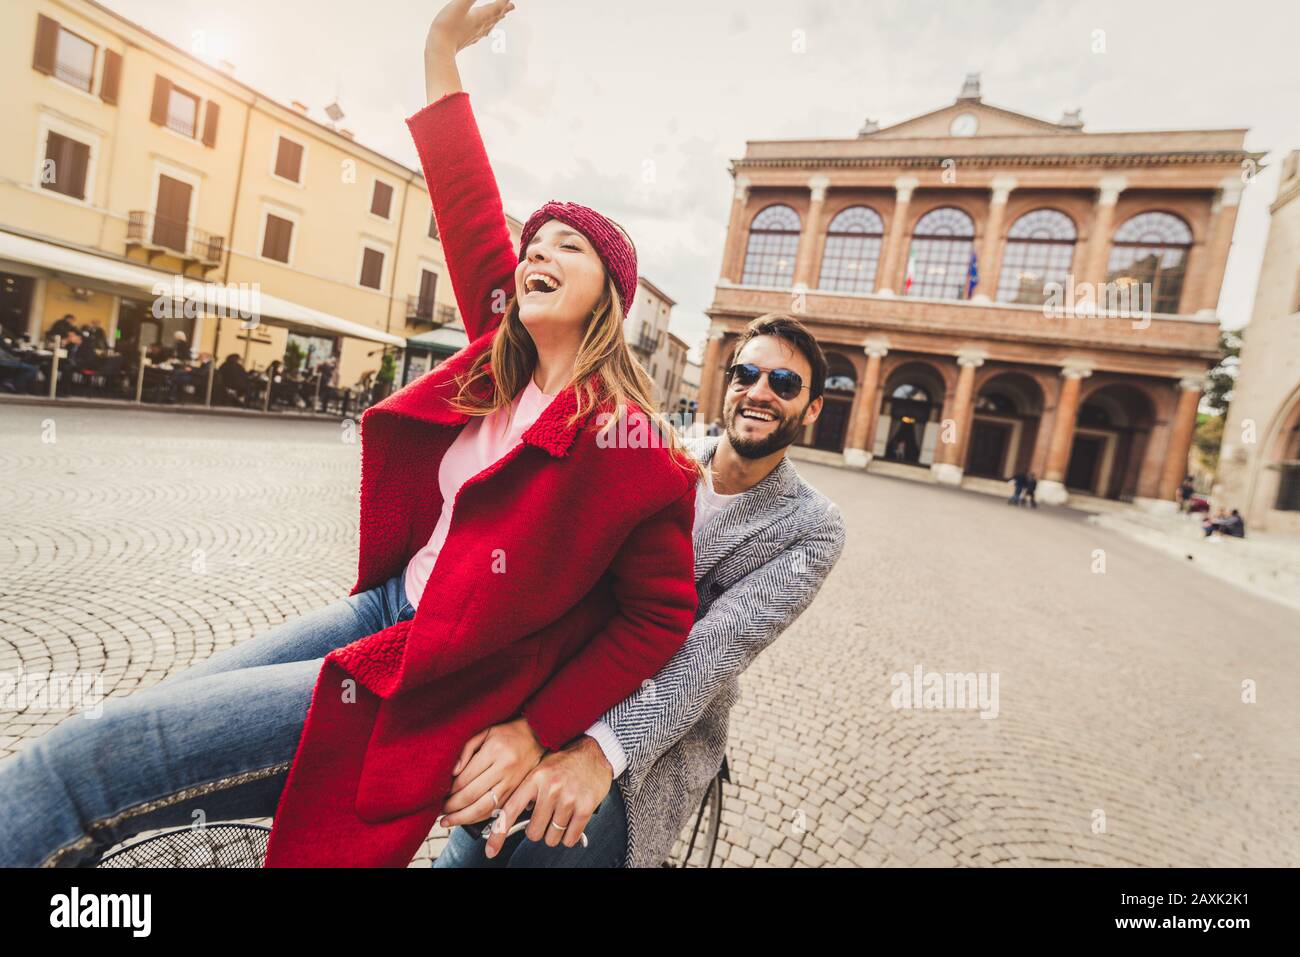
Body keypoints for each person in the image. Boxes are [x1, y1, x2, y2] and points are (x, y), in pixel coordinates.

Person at [0, 0, 702, 869]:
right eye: (532, 244)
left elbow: (660, 616)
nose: (535, 254)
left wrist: (539, 728)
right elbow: (463, 193)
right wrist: (440, 46)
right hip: (383, 607)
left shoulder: (632, 449)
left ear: (610, 296)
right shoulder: (499, 354)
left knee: (82, 766)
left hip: (426, 671)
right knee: (150, 726)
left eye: (568, 246)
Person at [434, 312, 847, 868]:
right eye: (746, 374)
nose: (759, 392)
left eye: (785, 383)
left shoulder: (812, 524)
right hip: (560, 677)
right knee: (468, 858)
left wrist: (599, 752)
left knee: (545, 856)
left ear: (813, 407)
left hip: (657, 732)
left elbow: (712, 650)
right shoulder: (662, 447)